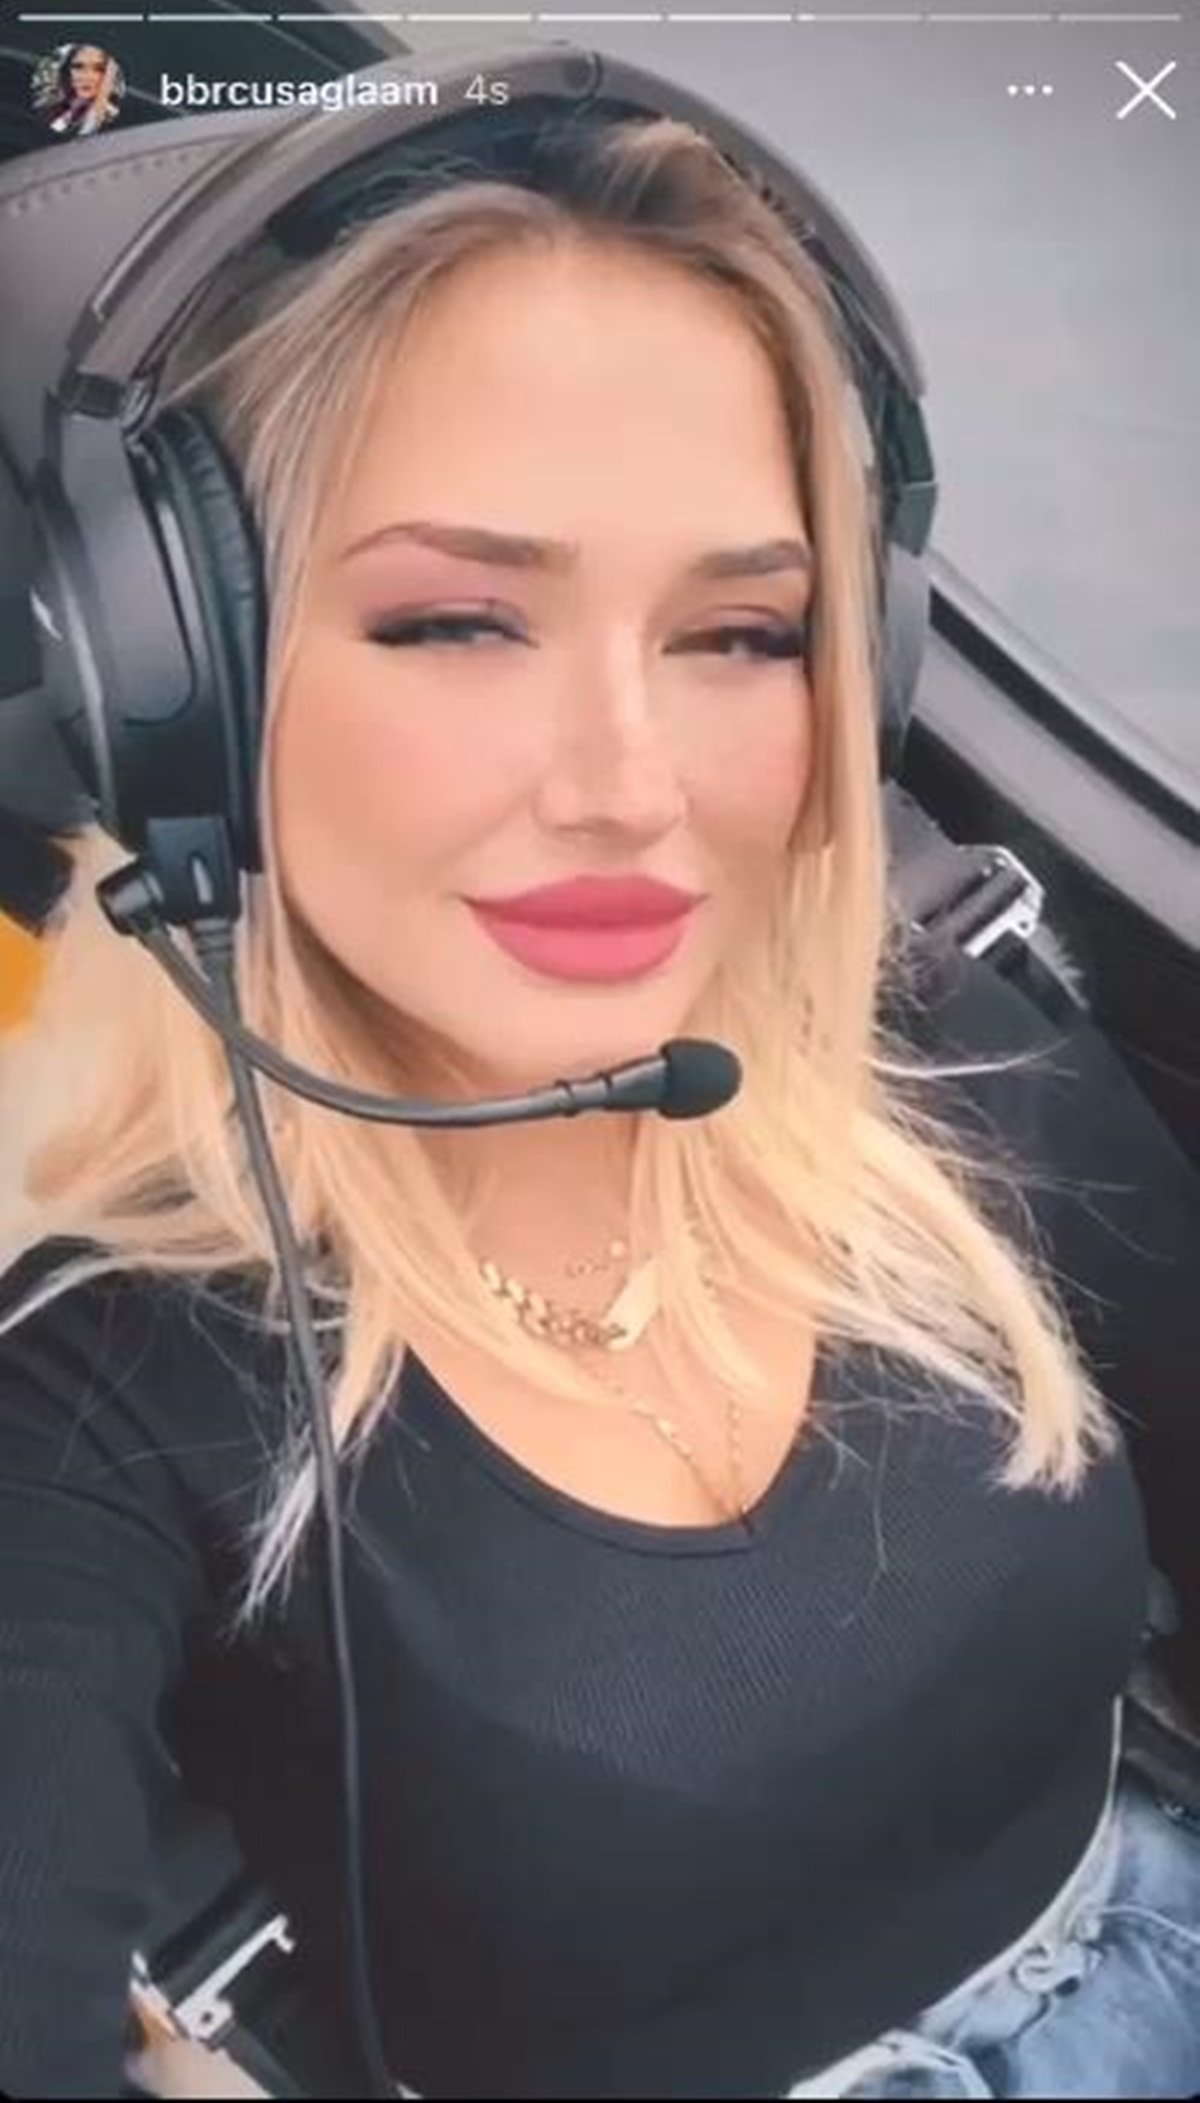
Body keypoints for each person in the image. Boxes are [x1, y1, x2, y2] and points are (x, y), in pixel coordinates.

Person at [0, 110, 1198, 2103]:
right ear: (173, 690)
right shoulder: (86, 1397)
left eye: (739, 634)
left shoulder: (928, 1031)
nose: (634, 782)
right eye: (458, 620)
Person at [35, 43, 122, 140]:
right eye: (78, 67)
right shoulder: (47, 105)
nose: (87, 76)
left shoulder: (108, 114)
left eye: (98, 69)